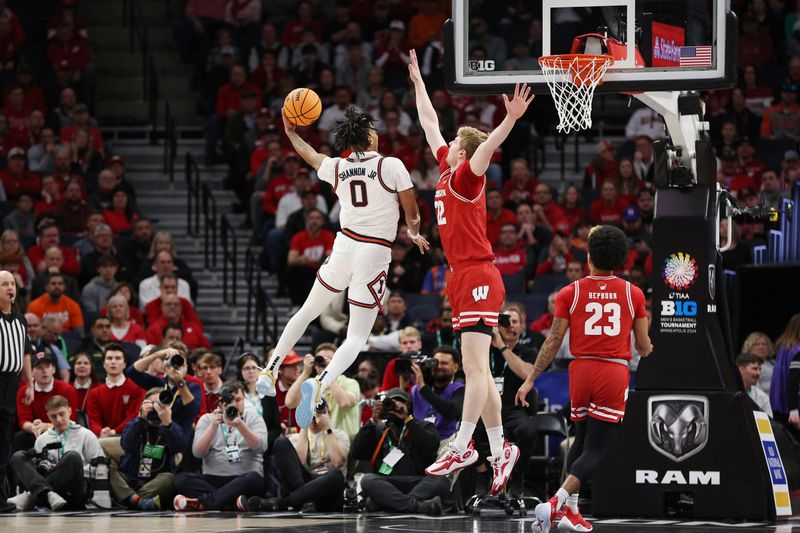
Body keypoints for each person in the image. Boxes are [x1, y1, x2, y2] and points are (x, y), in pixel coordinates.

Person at [255, 104, 429, 431]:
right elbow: (412, 211)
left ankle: (270, 369)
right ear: (369, 138)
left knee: (306, 311)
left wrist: (291, 132)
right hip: (373, 251)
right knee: (357, 335)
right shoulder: (391, 164)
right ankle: (322, 382)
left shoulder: (337, 167)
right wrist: (415, 232)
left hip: (343, 246)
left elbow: (310, 156)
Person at [409, 48, 533, 493]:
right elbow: (428, 125)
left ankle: (463, 443)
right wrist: (419, 85)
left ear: (465, 153)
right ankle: (501, 451)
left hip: (479, 274)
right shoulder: (447, 169)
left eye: (457, 146)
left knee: (475, 370)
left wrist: (510, 120)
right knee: (480, 373)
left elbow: (488, 148)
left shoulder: (467, 176)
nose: (450, 148)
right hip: (461, 275)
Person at [516, 225, 653, 533]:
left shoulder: (570, 291)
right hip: (612, 371)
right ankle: (556, 503)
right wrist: (650, 346)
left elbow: (552, 341)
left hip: (579, 370)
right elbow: (643, 348)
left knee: (581, 438)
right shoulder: (634, 294)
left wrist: (531, 380)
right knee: (598, 448)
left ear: (589, 257)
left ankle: (572, 512)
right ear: (620, 260)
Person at [352, 387, 448, 515]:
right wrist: (372, 420)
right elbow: (356, 452)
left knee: (441, 480)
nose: (395, 406)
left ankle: (387, 504)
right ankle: (419, 506)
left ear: (408, 406)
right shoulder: (379, 430)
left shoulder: (423, 426)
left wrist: (408, 420)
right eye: (390, 403)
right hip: (389, 484)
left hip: (418, 482)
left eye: (400, 402)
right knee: (367, 479)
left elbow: (431, 446)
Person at [241, 398, 349, 512]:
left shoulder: (338, 435)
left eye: (317, 414)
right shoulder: (297, 437)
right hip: (305, 482)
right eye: (310, 415)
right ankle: (304, 499)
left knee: (336, 475)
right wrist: (304, 425)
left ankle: (282, 503)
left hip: (327, 490)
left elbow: (337, 462)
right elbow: (300, 462)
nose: (314, 419)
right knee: (281, 442)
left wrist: (328, 427)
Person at [173, 381, 267, 511]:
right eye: (230, 401)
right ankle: (230, 501)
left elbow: (261, 447)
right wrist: (213, 427)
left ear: (244, 400)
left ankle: (205, 503)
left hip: (243, 478)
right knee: (181, 480)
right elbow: (197, 453)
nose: (234, 404)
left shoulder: (254, 418)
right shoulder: (207, 420)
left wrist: (240, 425)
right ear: (221, 403)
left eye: (238, 400)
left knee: (252, 478)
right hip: (214, 479)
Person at [7, 395, 104, 511]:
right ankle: (46, 493)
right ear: (47, 416)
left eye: (62, 414)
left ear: (70, 411)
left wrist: (63, 469)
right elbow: (38, 470)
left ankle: (30, 495)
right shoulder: (42, 439)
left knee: (72, 457)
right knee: (18, 456)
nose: (58, 420)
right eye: (53, 416)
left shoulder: (86, 435)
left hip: (74, 490)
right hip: (49, 498)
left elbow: (100, 466)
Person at [111, 387, 186, 510]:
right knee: (107, 466)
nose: (156, 408)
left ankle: (131, 499)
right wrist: (140, 419)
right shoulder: (135, 423)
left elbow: (179, 447)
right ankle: (140, 501)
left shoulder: (171, 427)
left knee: (170, 478)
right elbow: (126, 445)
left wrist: (167, 424)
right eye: (152, 404)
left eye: (159, 404)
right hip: (130, 478)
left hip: (155, 483)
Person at [0, 270, 34, 498]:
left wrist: (29, 383)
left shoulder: (21, 320)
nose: (10, 288)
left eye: (12, 283)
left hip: (11, 383)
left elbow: (25, 353)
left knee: (3, 438)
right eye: (4, 284)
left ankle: (2, 494)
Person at [285, 343, 360, 440]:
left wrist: (330, 373)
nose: (324, 362)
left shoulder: (350, 383)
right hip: (316, 445)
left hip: (343, 444)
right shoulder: (312, 383)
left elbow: (344, 403)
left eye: (329, 359)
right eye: (320, 359)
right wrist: (305, 373)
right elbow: (290, 403)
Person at [14, 350, 78, 453]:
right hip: (35, 432)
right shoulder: (24, 391)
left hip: (61, 431)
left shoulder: (67, 390)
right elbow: (23, 420)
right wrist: (33, 427)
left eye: (48, 366)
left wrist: (46, 426)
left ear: (53, 369)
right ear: (31, 372)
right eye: (39, 368)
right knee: (20, 437)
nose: (44, 371)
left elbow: (70, 420)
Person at [85, 344, 145, 438]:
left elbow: (133, 417)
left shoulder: (136, 389)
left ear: (125, 364)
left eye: (117, 358)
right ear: (104, 364)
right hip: (102, 438)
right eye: (109, 358)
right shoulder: (94, 393)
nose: (113, 362)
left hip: (129, 438)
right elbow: (93, 420)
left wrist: (114, 431)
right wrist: (101, 431)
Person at [409, 345, 464, 441]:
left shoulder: (459, 389)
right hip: (419, 442)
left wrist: (423, 387)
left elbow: (452, 411)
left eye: (444, 363)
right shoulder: (417, 390)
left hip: (447, 442)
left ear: (455, 367)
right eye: (436, 362)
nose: (439, 366)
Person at [769, 313, 800, 441]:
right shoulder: (797, 350)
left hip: (779, 404)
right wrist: (794, 409)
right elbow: (793, 381)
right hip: (794, 409)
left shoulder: (784, 347)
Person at [736, 353, 772, 417]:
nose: (758, 373)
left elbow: (767, 424)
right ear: (741, 369)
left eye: (760, 369)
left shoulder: (762, 397)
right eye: (754, 369)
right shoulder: (729, 392)